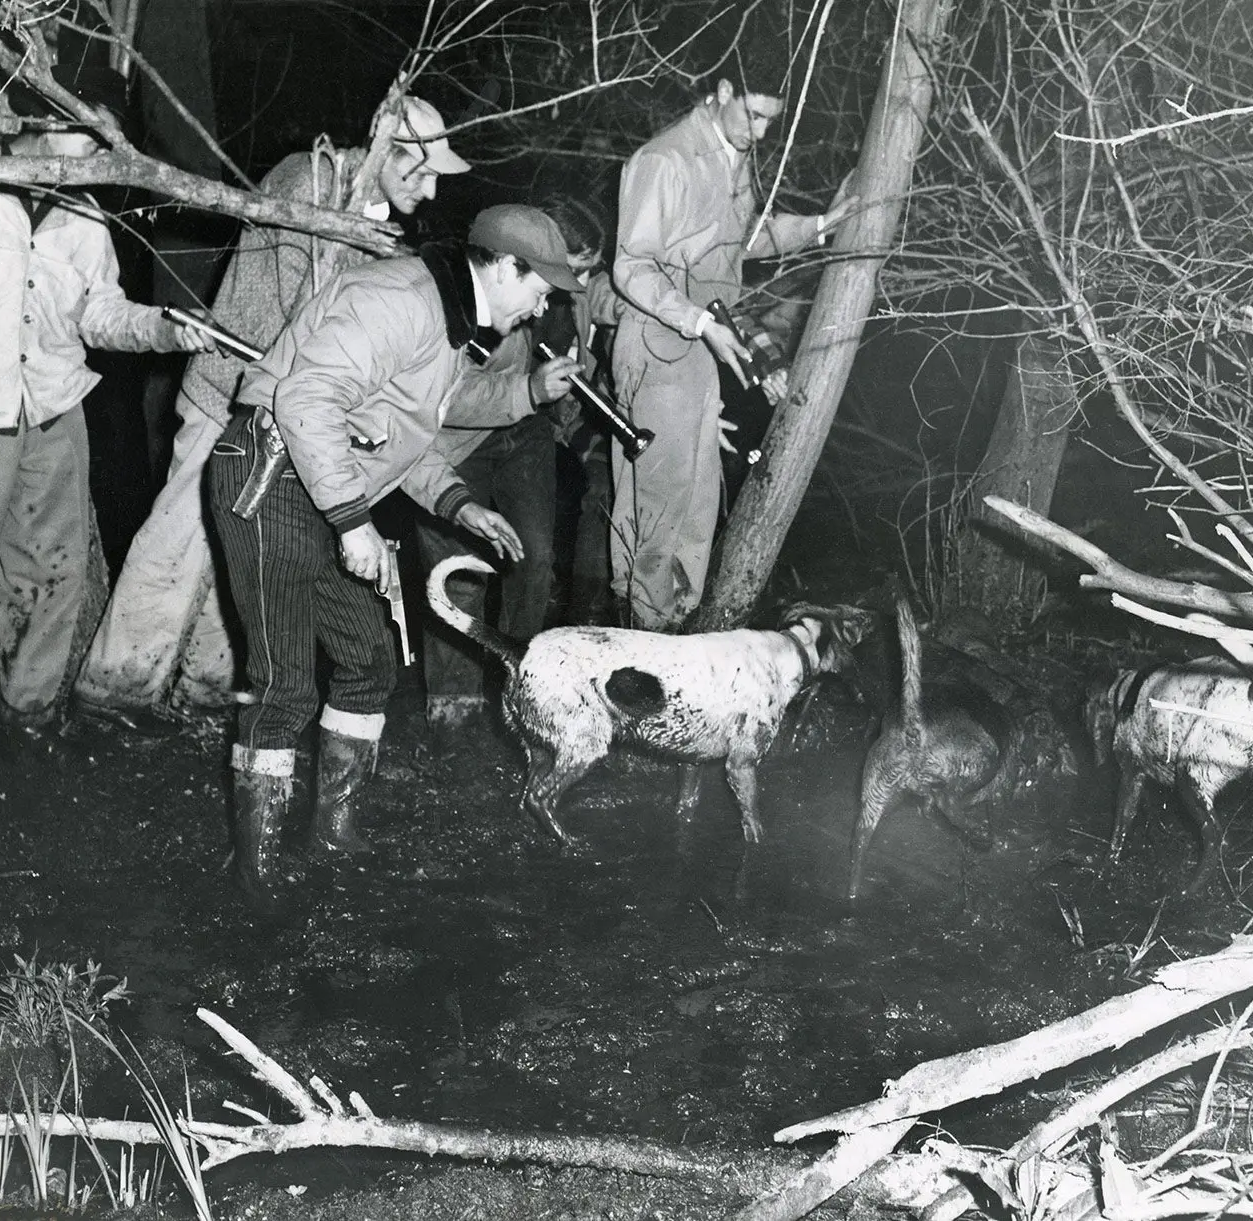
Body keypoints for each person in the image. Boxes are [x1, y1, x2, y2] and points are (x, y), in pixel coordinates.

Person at [207, 203, 582, 912]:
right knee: (285, 680)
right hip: (270, 472)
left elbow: (402, 437)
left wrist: (457, 503)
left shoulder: (449, 329)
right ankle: (257, 871)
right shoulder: (401, 301)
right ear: (506, 267)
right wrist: (353, 524)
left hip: (321, 484)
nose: (541, 309)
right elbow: (306, 398)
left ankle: (335, 832)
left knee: (369, 660)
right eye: (541, 290)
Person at [71, 92, 470, 736]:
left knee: (238, 548)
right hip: (231, 395)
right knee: (179, 538)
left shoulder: (373, 216)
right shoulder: (306, 180)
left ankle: (202, 692)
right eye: (419, 172)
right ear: (383, 150)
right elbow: (300, 319)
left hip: (287, 414)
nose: (427, 192)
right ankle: (110, 693)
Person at [0, 60, 214, 771]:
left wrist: (166, 330)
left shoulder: (81, 213)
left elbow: (96, 309)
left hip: (50, 409)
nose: (104, 162)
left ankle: (28, 711)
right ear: (49, 122)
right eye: (96, 142)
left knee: (51, 571)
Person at [609, 76, 855, 629]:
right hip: (658, 341)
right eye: (753, 115)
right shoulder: (665, 159)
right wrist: (696, 320)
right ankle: (642, 638)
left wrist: (817, 226)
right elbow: (631, 266)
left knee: (698, 502)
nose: (760, 132)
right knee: (658, 503)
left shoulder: (731, 154)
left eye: (771, 120)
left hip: (704, 344)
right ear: (722, 90)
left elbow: (742, 240)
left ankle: (682, 625)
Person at [415, 192, 617, 738]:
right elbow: (436, 401)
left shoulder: (557, 300)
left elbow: (576, 345)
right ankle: (453, 713)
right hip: (455, 447)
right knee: (458, 572)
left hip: (525, 432)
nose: (562, 296)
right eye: (567, 273)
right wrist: (528, 388)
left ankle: (523, 694)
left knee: (535, 559)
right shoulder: (462, 301)